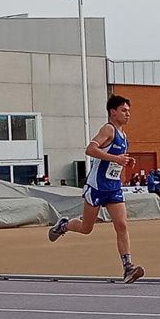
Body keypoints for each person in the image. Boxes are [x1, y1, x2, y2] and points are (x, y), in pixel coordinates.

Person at [48, 95, 145, 284]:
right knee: (86, 228)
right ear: (113, 112)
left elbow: (115, 158)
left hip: (113, 187)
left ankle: (128, 267)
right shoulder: (108, 129)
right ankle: (64, 225)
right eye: (124, 110)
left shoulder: (123, 135)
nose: (128, 114)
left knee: (122, 225)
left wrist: (125, 160)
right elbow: (90, 150)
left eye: (129, 111)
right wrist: (116, 159)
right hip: (97, 186)